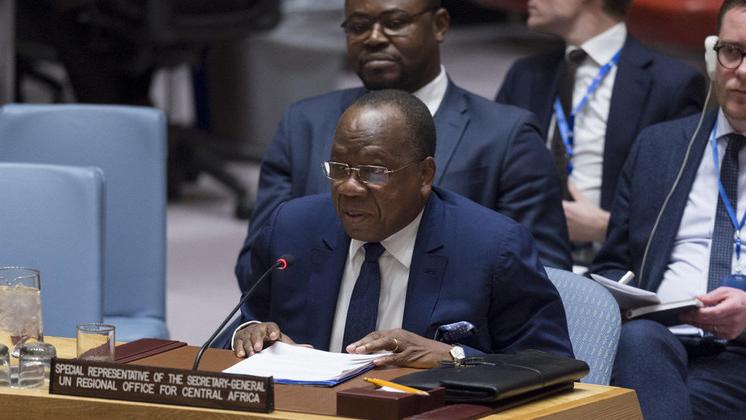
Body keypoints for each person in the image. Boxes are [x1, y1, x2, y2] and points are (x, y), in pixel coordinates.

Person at [236, 0, 573, 290]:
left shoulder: (506, 135)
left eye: (395, 23)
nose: (374, 38)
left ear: (440, 24)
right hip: (318, 330)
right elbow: (258, 262)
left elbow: (542, 276)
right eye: (358, 26)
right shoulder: (304, 124)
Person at [231, 90, 573, 367]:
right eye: (339, 168)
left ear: (424, 175)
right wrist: (251, 334)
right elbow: (247, 322)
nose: (349, 187)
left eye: (373, 172)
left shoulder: (492, 247)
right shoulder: (293, 228)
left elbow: (550, 362)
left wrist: (454, 357)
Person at [590, 1, 746, 418]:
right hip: (660, 341)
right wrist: (624, 297)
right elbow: (613, 263)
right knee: (639, 341)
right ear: (714, 54)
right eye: (732, 52)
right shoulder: (659, 147)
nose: (742, 71)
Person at [496, 0, 705, 263]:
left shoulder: (671, 84)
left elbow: (685, 205)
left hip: (615, 267)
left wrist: (608, 228)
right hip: (523, 262)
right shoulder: (525, 74)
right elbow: (491, 175)